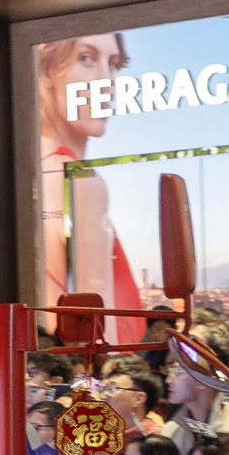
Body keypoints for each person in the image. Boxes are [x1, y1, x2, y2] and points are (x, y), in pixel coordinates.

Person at [36, 33, 140, 314]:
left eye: (113, 64)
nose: (105, 83)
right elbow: (98, 331)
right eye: (86, 58)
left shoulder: (39, 170)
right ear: (47, 70)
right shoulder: (80, 182)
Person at [164, 329, 229, 455]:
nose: (168, 380)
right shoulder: (169, 431)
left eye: (177, 372)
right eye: (170, 371)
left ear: (203, 380)